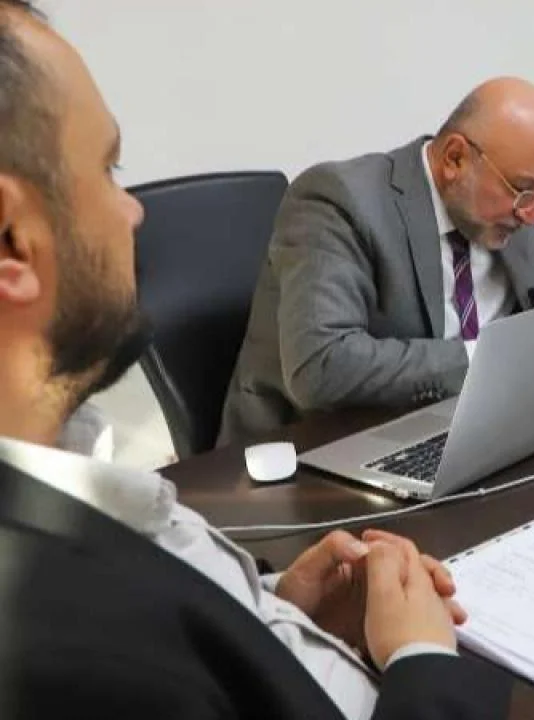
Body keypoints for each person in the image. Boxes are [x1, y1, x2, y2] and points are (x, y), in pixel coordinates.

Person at [0, 2, 508, 717]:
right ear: (13, 239)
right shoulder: (67, 645)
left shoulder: (75, 471)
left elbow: (184, 613)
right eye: (110, 170)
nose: (135, 212)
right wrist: (422, 661)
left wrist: (270, 606)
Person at [220, 77, 534, 444]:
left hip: (456, 432)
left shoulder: (504, 210)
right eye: (523, 191)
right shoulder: (339, 201)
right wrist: (490, 361)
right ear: (455, 159)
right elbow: (322, 365)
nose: (532, 214)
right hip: (313, 454)